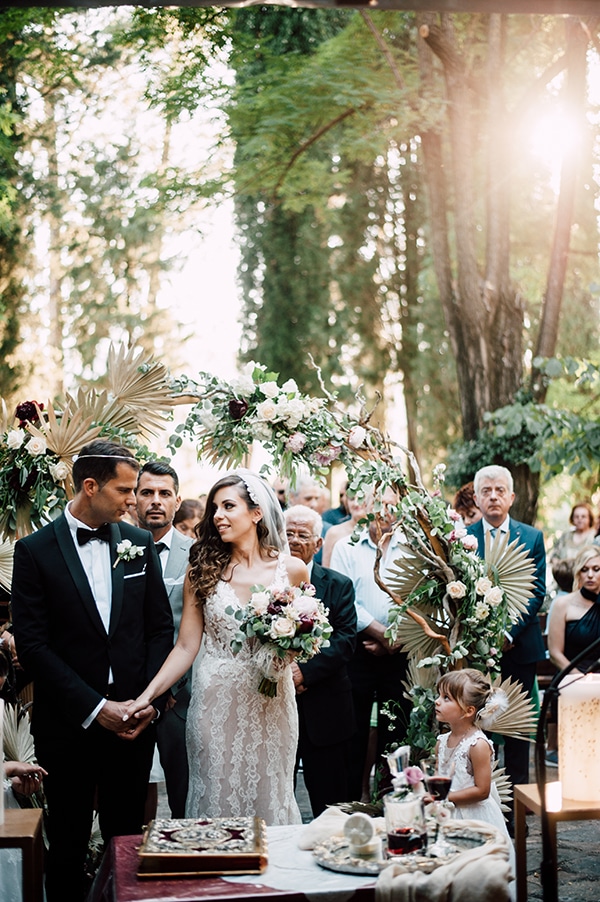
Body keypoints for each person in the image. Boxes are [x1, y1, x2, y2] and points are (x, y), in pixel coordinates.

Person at [11, 440, 174, 902]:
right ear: (90, 486)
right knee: (66, 845)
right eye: (125, 490)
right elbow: (35, 647)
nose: (133, 501)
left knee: (128, 843)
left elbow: (159, 630)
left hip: (134, 724)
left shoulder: (139, 543)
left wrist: (147, 704)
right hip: (68, 726)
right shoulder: (35, 551)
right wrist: (96, 707)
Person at [124, 470, 308, 825]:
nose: (218, 516)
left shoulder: (294, 571)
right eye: (214, 508)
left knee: (272, 792)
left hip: (272, 701)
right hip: (214, 703)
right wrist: (147, 696)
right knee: (216, 795)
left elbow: (302, 633)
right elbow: (186, 647)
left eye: (228, 506)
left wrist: (285, 653)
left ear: (256, 513)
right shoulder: (202, 568)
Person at [468, 465, 546, 832]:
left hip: (518, 649)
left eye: (500, 490)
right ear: (477, 498)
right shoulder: (463, 539)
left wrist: (507, 632)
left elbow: (536, 593)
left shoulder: (531, 537)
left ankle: (515, 813)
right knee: (479, 728)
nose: (494, 496)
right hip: (475, 651)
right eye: (487, 490)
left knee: (515, 733)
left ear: (512, 497)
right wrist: (481, 633)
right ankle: (484, 809)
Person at [330, 488, 412, 802]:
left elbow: (423, 598)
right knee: (354, 732)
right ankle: (352, 804)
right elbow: (344, 600)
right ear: (365, 505)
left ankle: (395, 805)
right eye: (379, 504)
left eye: (392, 505)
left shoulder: (414, 548)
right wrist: (380, 633)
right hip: (357, 650)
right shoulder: (346, 547)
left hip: (403, 653)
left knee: (398, 733)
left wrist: (397, 638)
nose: (385, 511)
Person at [284, 504, 357, 816]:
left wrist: (302, 673)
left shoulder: (338, 585)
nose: (295, 540)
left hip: (325, 707)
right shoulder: (265, 584)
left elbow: (345, 640)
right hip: (275, 706)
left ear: (318, 543)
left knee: (330, 803)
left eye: (304, 535)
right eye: (289, 533)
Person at [136, 460, 194, 818]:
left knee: (184, 796)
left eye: (164, 494)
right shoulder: (116, 548)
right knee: (131, 794)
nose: (155, 501)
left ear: (177, 501)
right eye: (147, 493)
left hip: (184, 701)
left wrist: (172, 687)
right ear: (134, 500)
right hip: (132, 695)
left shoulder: (199, 554)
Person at [434, 669, 512, 845]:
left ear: (468, 711)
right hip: (447, 814)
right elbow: (439, 778)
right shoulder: (441, 741)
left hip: (474, 817)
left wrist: (445, 797)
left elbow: (482, 790)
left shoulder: (477, 745)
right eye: (439, 695)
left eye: (446, 698)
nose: (437, 701)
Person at [548, 546, 600, 673]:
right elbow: (555, 654)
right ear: (578, 573)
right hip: (572, 677)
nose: (590, 575)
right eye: (584, 569)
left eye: (596, 569)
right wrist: (579, 678)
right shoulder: (562, 604)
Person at [321, 494, 367, 569]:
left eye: (361, 498)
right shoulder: (334, 532)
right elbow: (326, 570)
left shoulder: (378, 531)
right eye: (352, 499)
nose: (356, 503)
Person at [549, 502, 598, 568]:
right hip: (563, 575)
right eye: (576, 516)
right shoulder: (565, 536)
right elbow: (554, 557)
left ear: (590, 518)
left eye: (583, 516)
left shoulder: (595, 537)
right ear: (572, 518)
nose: (579, 519)